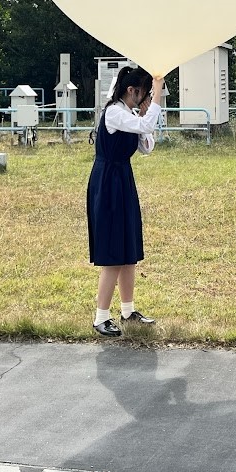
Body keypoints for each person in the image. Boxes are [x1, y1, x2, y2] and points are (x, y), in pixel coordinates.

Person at [87, 65, 164, 338]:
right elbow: (145, 125)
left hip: (122, 179)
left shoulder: (129, 113)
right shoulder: (114, 112)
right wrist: (156, 97)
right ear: (131, 91)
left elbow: (146, 147)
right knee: (113, 253)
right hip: (107, 182)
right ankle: (101, 317)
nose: (145, 100)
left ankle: (128, 310)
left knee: (128, 249)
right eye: (143, 94)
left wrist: (146, 112)